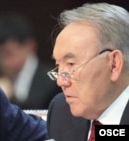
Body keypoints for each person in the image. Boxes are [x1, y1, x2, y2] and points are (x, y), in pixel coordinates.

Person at [46, 2, 129, 141]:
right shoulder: (62, 112)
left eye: (71, 64)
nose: (61, 81)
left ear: (114, 64)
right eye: (58, 66)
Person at [0, 13, 62, 109]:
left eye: (9, 53)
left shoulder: (52, 81)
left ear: (29, 46)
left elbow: (37, 115)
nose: (4, 61)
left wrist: (9, 98)